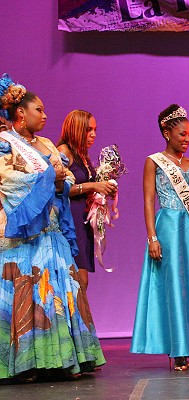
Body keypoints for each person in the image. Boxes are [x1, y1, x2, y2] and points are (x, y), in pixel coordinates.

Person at [0, 74, 105, 381]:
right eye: (39, 110)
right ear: (21, 113)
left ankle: (64, 359)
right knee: (27, 293)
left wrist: (59, 181)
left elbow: (66, 178)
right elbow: (8, 181)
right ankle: (27, 363)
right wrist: (48, 178)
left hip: (51, 229)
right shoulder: (5, 144)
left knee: (59, 291)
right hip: (23, 236)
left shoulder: (46, 144)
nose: (45, 115)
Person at [130, 104, 189, 371]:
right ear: (167, 133)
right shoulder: (154, 161)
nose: (187, 139)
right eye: (182, 134)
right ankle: (177, 349)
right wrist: (152, 237)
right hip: (167, 228)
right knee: (170, 285)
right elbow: (149, 201)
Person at [57, 110, 118, 292]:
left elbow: (86, 187)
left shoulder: (83, 156)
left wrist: (103, 191)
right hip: (69, 221)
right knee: (76, 280)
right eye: (88, 130)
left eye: (95, 130)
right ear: (75, 129)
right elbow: (58, 188)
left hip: (82, 222)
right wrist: (93, 186)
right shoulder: (63, 152)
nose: (93, 135)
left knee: (82, 282)